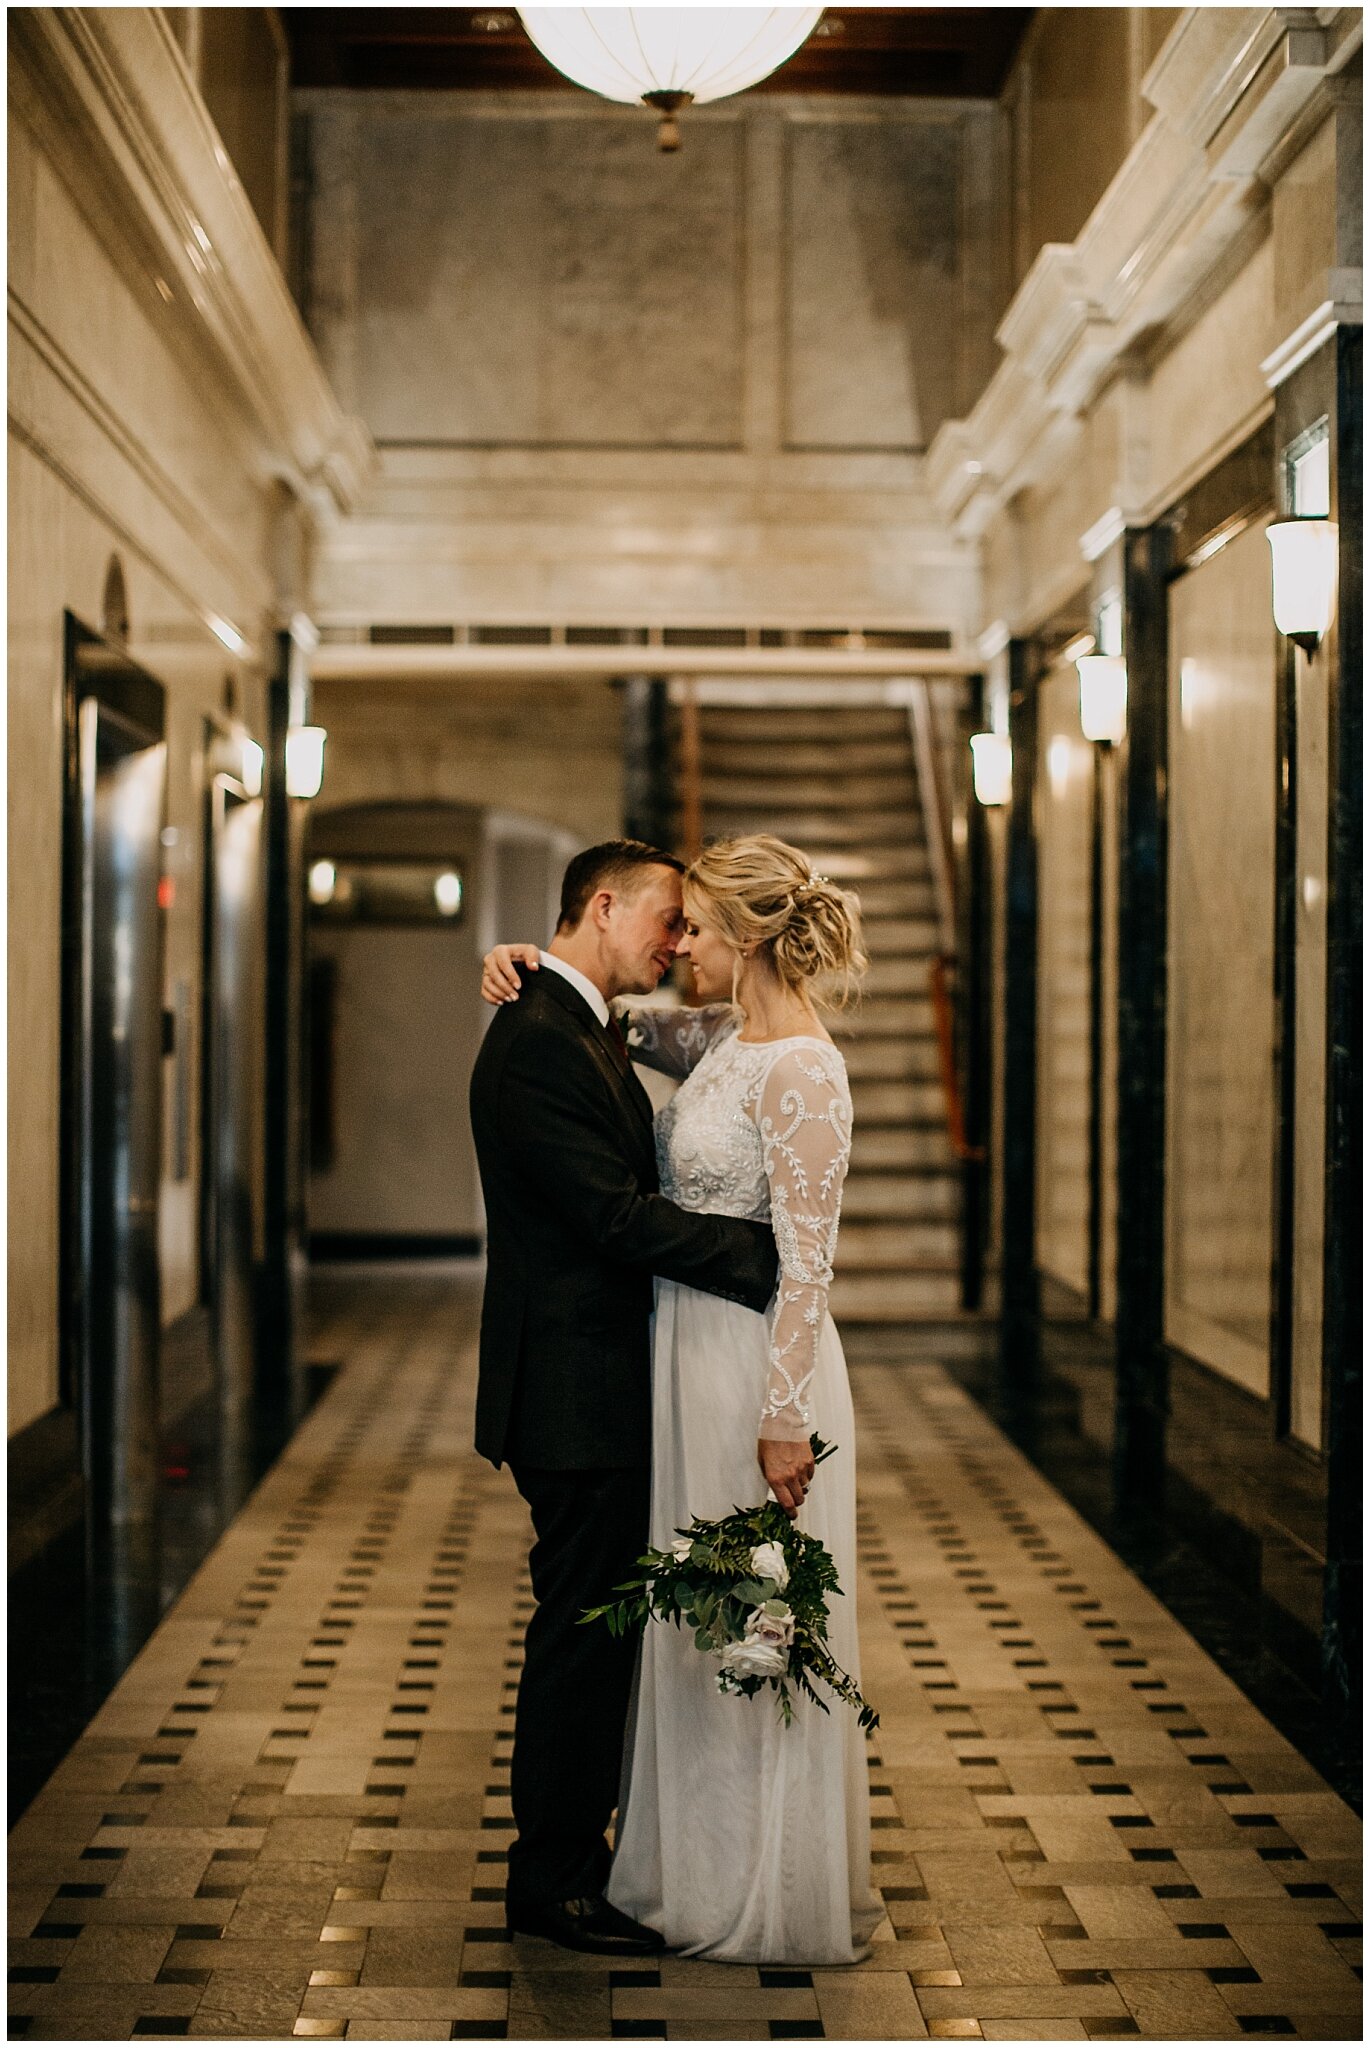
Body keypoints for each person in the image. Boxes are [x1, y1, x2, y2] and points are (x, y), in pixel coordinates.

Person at [481, 834, 882, 1966]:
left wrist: (780, 1409)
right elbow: (595, 1021)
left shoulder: (800, 1064)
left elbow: (806, 1260)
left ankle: (759, 1872)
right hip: (675, 1350)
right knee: (684, 1614)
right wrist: (522, 956)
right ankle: (677, 1860)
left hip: (749, 1363)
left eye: (693, 927)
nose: (676, 947)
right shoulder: (712, 1039)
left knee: (745, 1604)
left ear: (743, 935)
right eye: (668, 923)